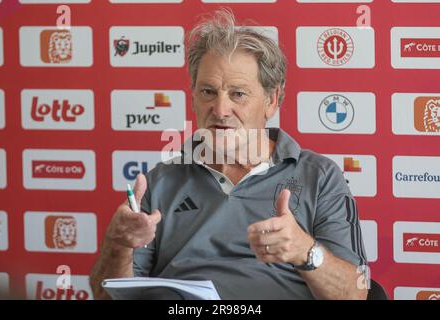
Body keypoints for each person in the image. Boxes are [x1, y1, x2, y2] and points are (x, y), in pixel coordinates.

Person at [90, 9, 368, 300]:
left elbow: (356, 293)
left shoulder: (319, 177)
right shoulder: (159, 183)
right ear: (193, 95)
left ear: (271, 101)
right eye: (208, 92)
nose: (220, 110)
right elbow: (107, 297)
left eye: (237, 94)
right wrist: (117, 244)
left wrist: (305, 251)